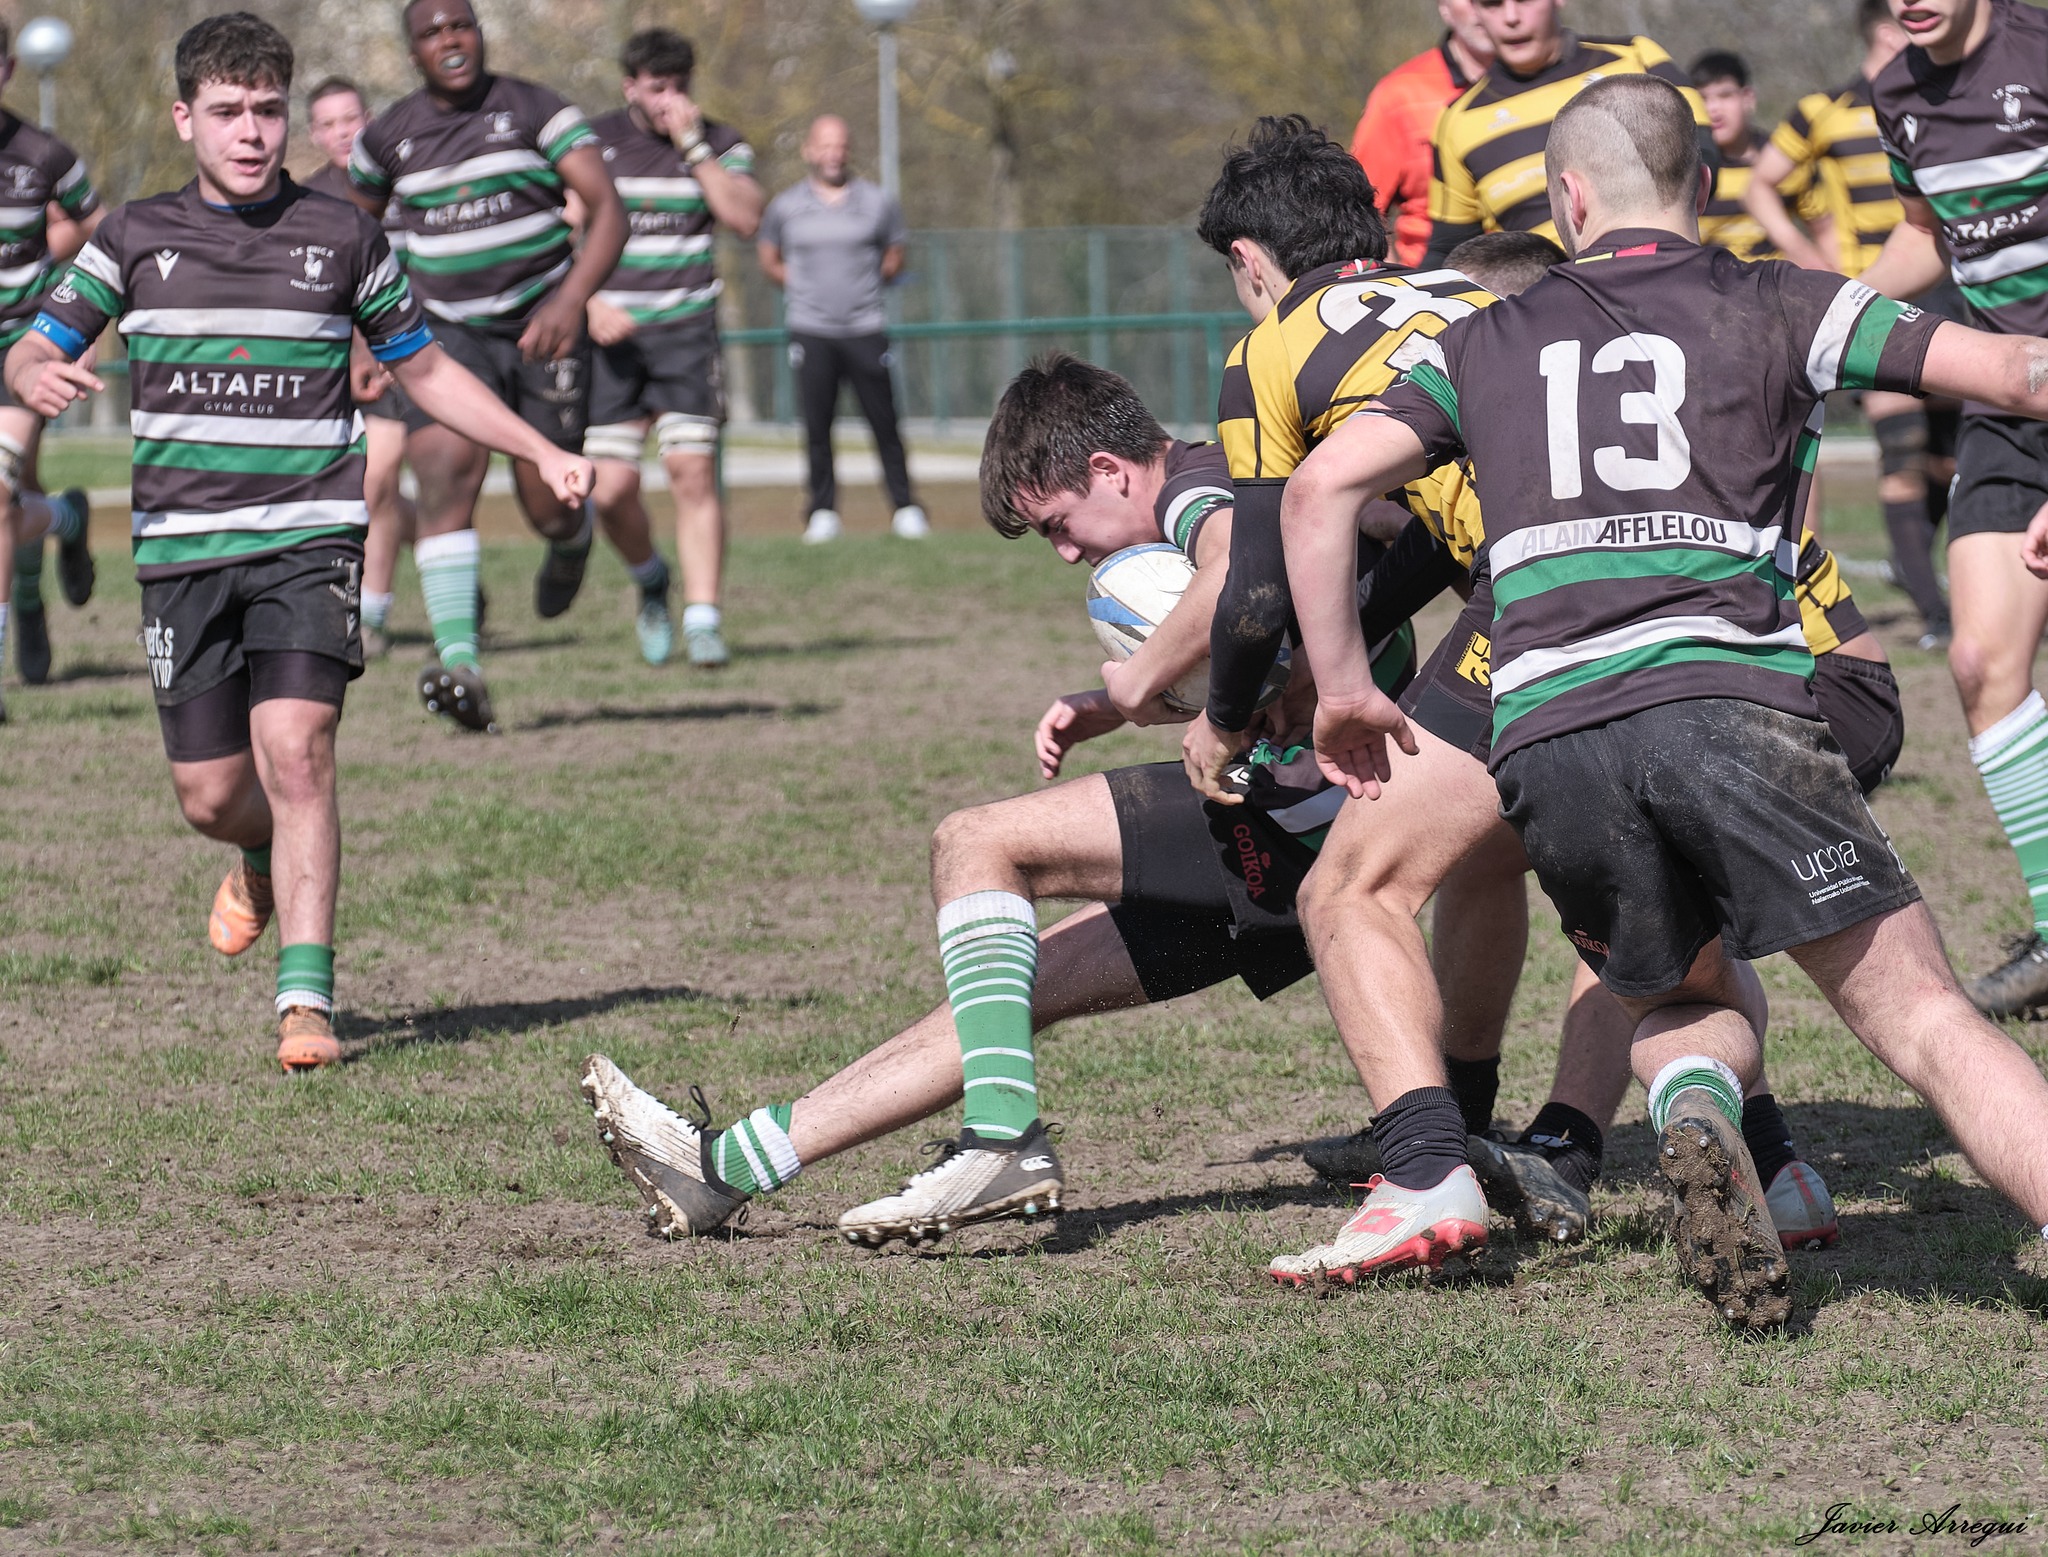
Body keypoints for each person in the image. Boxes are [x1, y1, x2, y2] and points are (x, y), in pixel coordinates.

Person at [1284, 72, 2048, 1326]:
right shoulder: (1780, 297)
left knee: (1677, 994)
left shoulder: (1477, 340)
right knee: (1919, 1016)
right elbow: (2014, 372)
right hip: (1722, 702)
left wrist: (1340, 689)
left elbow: (1318, 489)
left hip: (1549, 739)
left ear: (1566, 197)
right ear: (1702, 182)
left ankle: (1693, 1105)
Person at [1178, 127, 1858, 1274]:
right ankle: (1761, 1159)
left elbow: (1252, 585)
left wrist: (1225, 715)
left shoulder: (1274, 346)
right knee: (1587, 874)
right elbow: (1443, 529)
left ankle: (1423, 1170)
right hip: (1722, 602)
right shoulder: (1478, 295)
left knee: (1351, 887)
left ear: (1248, 260)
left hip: (1550, 607)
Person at [579, 355, 1327, 1243]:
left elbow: (1239, 573)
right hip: (1290, 814)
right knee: (1005, 992)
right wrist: (1135, 701)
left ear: (1109, 470)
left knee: (977, 843)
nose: (1066, 553)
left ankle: (1003, 1140)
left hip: (1300, 816)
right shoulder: (1206, 482)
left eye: (1058, 524)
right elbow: (1275, 648)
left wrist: (1136, 684)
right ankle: (722, 1169)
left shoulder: (1193, 487)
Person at [6, 12, 592, 1070]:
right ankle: (255, 853)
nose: (251, 132)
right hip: (182, 552)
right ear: (184, 119)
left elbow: (426, 370)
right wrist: (32, 371)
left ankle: (305, 1001)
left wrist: (540, 448)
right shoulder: (133, 237)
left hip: (308, 539)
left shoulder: (345, 237)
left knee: (300, 750)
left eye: (268, 111)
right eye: (227, 112)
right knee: (212, 798)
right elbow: (31, 346)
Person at [348, 0, 626, 733]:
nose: (450, 40)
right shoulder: (385, 139)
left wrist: (570, 301)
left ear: (480, 33)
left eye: (460, 26)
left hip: (543, 329)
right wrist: (362, 342)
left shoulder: (537, 110)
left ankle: (571, 539)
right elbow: (353, 242)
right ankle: (461, 665)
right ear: (412, 50)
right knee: (442, 475)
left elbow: (608, 210)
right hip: (442, 334)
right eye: (432, 32)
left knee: (548, 504)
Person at [1857, 0, 2048, 1014]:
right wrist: (1826, 315)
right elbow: (1924, 236)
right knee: (1978, 663)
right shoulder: (1895, 91)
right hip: (2005, 411)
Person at [1745, 0, 1955, 650]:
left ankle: (1915, 568)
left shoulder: (1939, 96)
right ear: (1887, 31)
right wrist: (1809, 256)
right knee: (1902, 450)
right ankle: (1936, 613)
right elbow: (1761, 185)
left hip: (1951, 294)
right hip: (1876, 299)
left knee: (1948, 458)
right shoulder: (1823, 111)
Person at [584, 28, 762, 669]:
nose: (671, 100)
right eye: (657, 88)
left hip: (686, 334)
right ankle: (651, 578)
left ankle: (704, 620)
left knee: (691, 471)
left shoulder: (721, 142)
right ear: (630, 86)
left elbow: (744, 218)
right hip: (611, 339)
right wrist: (586, 301)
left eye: (681, 87)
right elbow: (553, 229)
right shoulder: (592, 142)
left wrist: (693, 146)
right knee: (608, 489)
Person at [1421, 0, 1706, 265]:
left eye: (1524, 0)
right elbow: (1449, 250)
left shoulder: (1635, 57)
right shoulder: (1458, 120)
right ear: (1474, 10)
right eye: (1492, 3)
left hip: (1666, 274)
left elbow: (1703, 162)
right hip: (1541, 299)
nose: (1511, 17)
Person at [757, 116, 924, 545]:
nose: (833, 154)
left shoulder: (877, 201)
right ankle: (822, 512)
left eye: (841, 146)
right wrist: (803, 287)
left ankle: (906, 508)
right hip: (811, 329)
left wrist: (868, 283)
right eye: (825, 145)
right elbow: (769, 257)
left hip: (866, 328)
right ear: (808, 150)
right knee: (817, 427)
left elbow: (895, 252)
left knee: (885, 423)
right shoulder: (785, 206)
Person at [0, 15, 100, 714]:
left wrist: (77, 321)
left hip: (22, 348)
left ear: (7, 70)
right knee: (16, 499)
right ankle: (65, 519)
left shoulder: (44, 154)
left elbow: (100, 230)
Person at [302, 75, 417, 661]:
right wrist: (354, 350)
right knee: (364, 484)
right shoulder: (306, 199)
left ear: (369, 120)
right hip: (342, 358)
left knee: (381, 477)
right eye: (329, 124)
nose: (342, 132)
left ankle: (370, 613)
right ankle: (430, 545)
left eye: (350, 119)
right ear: (313, 134)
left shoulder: (406, 183)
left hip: (411, 351)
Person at [1349, 0, 1494, 267]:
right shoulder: (1399, 95)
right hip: (1434, 277)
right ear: (1444, 7)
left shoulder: (1558, 82)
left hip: (1540, 271)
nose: (1483, 6)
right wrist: (1397, 283)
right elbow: (1359, 211)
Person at [1690, 51, 1804, 263]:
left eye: (1725, 96)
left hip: (1776, 280)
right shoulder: (1686, 167)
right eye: (1702, 98)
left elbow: (1826, 230)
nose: (1713, 109)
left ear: (1748, 98)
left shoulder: (1784, 157)